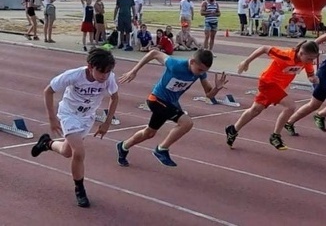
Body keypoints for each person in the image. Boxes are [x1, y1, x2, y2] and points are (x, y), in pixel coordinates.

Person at [31, 48, 119, 208]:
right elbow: (48, 91)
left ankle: (47, 143)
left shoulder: (109, 78)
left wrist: (107, 122)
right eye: (101, 72)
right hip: (69, 114)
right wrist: (52, 119)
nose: (104, 76)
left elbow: (115, 97)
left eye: (108, 72)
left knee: (67, 152)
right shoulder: (74, 75)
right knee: (79, 152)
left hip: (87, 117)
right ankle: (80, 189)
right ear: (90, 66)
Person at [116, 49, 228, 167]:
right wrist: (134, 71)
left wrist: (217, 88)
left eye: (204, 71)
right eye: (200, 70)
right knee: (186, 123)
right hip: (156, 99)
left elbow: (209, 95)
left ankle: (123, 146)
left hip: (169, 104)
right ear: (192, 62)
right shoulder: (175, 64)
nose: (201, 73)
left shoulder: (200, 73)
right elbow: (154, 53)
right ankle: (161, 149)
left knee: (149, 133)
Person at [225, 41, 320, 150]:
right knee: (291, 106)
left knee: (255, 109)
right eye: (310, 59)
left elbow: (311, 76)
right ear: (301, 53)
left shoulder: (306, 62)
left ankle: (233, 130)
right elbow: (264, 48)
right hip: (268, 83)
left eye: (313, 59)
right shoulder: (286, 56)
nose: (311, 61)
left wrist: (314, 79)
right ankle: (275, 136)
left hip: (278, 87)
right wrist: (246, 62)